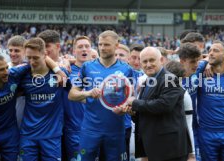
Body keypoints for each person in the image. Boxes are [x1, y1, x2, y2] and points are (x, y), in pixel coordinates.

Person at [68, 30, 133, 161]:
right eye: (100, 44)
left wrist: (126, 107)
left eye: (106, 45)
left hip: (116, 130)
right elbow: (72, 94)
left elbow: (131, 98)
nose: (102, 48)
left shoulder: (126, 69)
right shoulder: (87, 66)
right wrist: (88, 93)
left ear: (117, 45)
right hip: (90, 129)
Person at [123, 47, 191, 161]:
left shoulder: (170, 79)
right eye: (144, 61)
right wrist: (134, 113)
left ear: (162, 60)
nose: (148, 64)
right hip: (155, 147)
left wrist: (134, 103)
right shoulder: (147, 82)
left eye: (152, 60)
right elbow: (147, 110)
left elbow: (164, 105)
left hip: (170, 149)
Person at [19, 37, 69, 161]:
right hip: (28, 135)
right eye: (28, 58)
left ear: (45, 54)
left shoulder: (59, 75)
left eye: (35, 58)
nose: (31, 62)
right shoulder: (23, 75)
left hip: (51, 135)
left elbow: (75, 91)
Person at [197, 41, 224, 161]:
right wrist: (206, 63)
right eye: (209, 50)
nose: (210, 53)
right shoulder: (201, 76)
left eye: (215, 50)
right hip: (207, 133)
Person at [165, 60, 196, 161]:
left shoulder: (185, 95)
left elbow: (188, 124)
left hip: (178, 145)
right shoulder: (154, 91)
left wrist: (192, 154)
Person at [6, 35, 27, 128]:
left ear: (25, 51)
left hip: (26, 119)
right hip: (7, 120)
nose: (13, 53)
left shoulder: (32, 68)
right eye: (10, 50)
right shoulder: (3, 68)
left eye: (17, 50)